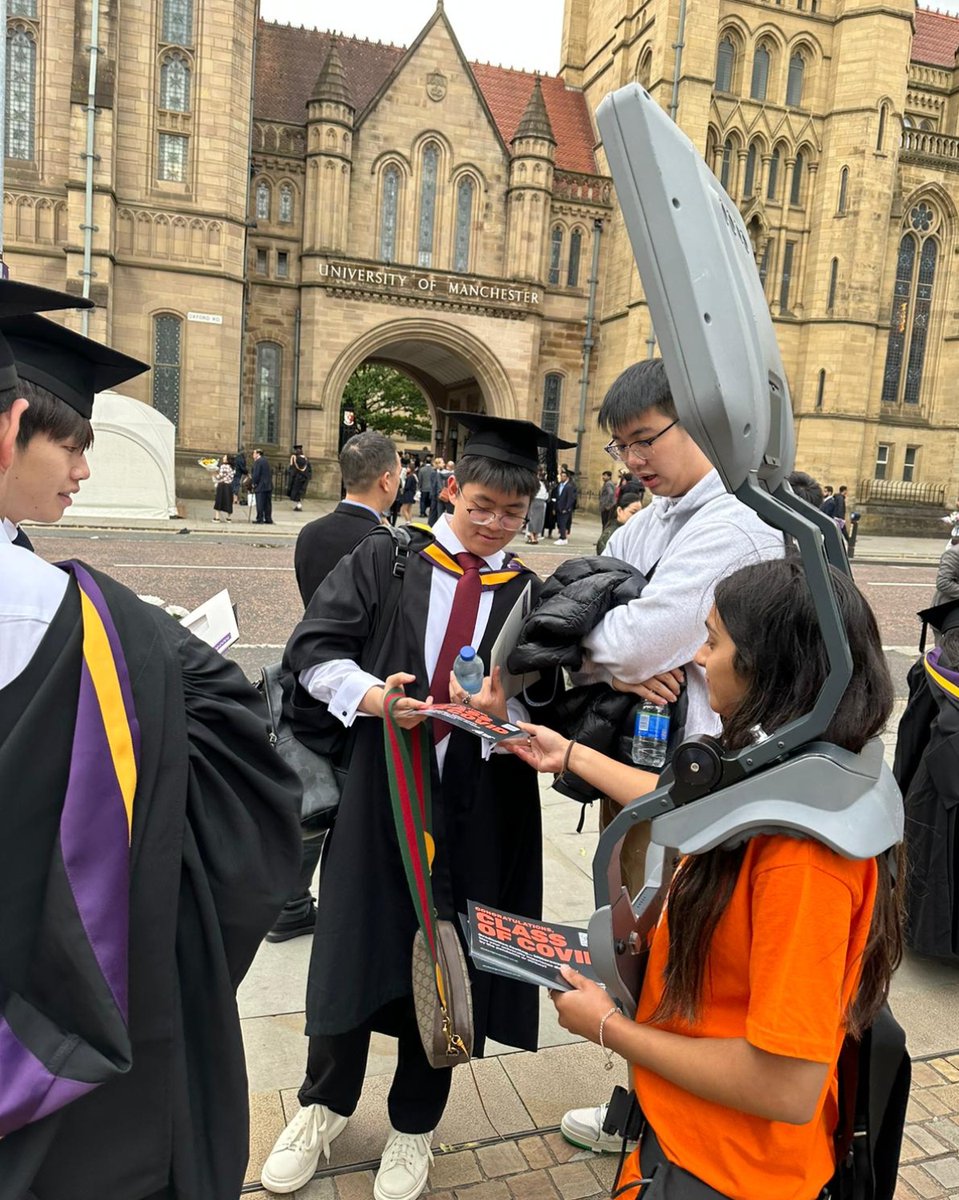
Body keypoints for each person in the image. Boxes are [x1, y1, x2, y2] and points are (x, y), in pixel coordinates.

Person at [0, 297, 301, 1199]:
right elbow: (242, 812)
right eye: (72, 445)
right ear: (13, 422)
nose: (85, 470)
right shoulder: (77, 621)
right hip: (54, 1055)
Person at [511, 556, 901, 1200]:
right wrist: (570, 754)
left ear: (770, 668)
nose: (696, 656)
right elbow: (694, 807)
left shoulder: (804, 857)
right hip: (691, 1138)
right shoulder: (798, 769)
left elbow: (785, 1085)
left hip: (728, 1170)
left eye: (715, 640)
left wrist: (609, 1028)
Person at [263, 415, 563, 1200]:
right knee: (355, 944)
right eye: (482, 505)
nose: (496, 524)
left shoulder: (528, 592)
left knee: (451, 961)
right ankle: (322, 1106)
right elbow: (314, 650)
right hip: (383, 788)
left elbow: (548, 710)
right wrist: (371, 698)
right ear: (451, 489)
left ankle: (414, 1126)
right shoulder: (388, 560)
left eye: (513, 511)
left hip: (479, 803)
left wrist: (507, 723)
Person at [560, 358, 784, 1152]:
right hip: (642, 765)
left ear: (696, 423)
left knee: (684, 951)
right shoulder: (650, 521)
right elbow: (589, 610)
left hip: (706, 780)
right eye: (622, 448)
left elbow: (633, 634)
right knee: (635, 941)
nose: (635, 462)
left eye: (647, 439)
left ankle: (666, 1120)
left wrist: (615, 644)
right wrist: (612, 649)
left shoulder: (730, 523)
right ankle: (643, 1109)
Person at [273, 432, 401, 945]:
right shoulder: (384, 545)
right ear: (388, 479)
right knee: (345, 805)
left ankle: (291, 901)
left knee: (312, 796)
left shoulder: (310, 532)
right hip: (359, 687)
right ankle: (342, 905)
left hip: (312, 678)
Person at [894, 598, 959, 961]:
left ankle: (931, 937)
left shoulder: (929, 671)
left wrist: (900, 785)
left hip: (934, 788)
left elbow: (912, 736)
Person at [596, 484, 644, 554]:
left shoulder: (635, 532)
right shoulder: (610, 535)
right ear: (620, 511)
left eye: (639, 513)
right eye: (633, 512)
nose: (637, 517)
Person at [554, 467, 577, 546]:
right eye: (561, 476)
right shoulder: (560, 485)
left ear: (567, 477)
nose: (562, 477)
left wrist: (567, 508)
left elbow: (570, 499)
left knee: (563, 523)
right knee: (560, 523)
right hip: (559, 507)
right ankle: (561, 536)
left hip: (565, 508)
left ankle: (563, 538)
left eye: (564, 476)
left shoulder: (569, 486)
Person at [526, 469, 548, 544]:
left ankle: (532, 537)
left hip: (535, 501)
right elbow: (547, 495)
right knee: (539, 520)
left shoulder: (535, 483)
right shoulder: (545, 484)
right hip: (542, 502)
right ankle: (535, 537)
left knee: (532, 519)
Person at [252, 447, 273, 524]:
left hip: (261, 485)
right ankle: (268, 518)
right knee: (267, 503)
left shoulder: (258, 461)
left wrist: (254, 483)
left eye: (254, 453)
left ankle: (260, 518)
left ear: (258, 454)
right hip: (268, 485)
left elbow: (256, 475)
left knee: (260, 503)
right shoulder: (265, 460)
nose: (253, 455)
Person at [288, 444, 311, 511]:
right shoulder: (306, 459)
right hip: (304, 477)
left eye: (297, 450)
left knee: (296, 491)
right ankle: (299, 505)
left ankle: (299, 505)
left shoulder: (295, 458)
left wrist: (292, 475)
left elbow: (293, 468)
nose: (297, 451)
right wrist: (308, 477)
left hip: (298, 477)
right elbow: (309, 469)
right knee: (301, 491)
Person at [213, 453, 234, 522]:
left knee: (219, 501)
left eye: (224, 457)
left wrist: (214, 474)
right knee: (228, 501)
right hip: (229, 486)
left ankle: (217, 517)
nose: (223, 458)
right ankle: (229, 518)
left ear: (227, 459)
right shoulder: (232, 467)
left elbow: (220, 476)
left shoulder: (224, 466)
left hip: (222, 485)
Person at [399, 456, 417, 522]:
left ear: (411, 469)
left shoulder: (410, 477)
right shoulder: (414, 476)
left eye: (408, 468)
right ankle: (410, 521)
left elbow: (407, 486)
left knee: (404, 509)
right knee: (409, 509)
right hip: (411, 494)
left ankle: (408, 521)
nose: (407, 469)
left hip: (407, 494)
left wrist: (403, 489)